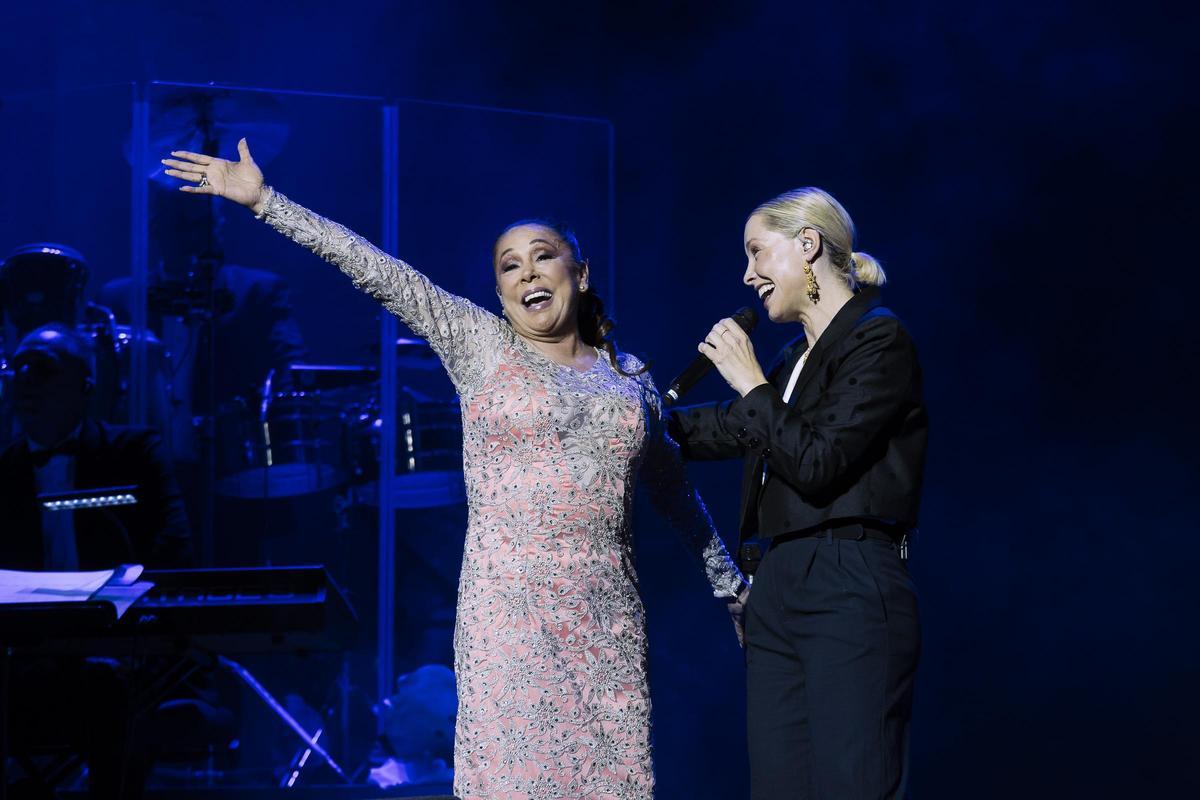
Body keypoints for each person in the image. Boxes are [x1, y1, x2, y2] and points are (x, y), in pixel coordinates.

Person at [162, 139, 745, 800]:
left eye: (543, 257)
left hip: (606, 627)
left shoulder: (629, 376)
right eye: (509, 266)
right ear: (498, 293)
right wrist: (266, 203)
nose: (527, 274)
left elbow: (673, 491)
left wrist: (730, 585)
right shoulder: (479, 343)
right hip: (509, 624)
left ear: (579, 274)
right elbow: (373, 268)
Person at [668, 187, 927, 799]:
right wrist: (630, 414)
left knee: (852, 783)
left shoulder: (878, 340)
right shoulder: (792, 361)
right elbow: (725, 427)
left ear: (808, 245)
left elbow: (818, 461)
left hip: (849, 578)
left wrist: (750, 381)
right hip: (778, 584)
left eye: (758, 252)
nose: (747, 273)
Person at [0, 323, 193, 800]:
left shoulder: (133, 452)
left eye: (41, 369)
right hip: (23, 659)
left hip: (118, 652)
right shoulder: (2, 473)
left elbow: (172, 550)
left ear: (85, 387)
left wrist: (99, 605)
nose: (24, 380)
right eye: (15, 368)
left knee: (107, 694)